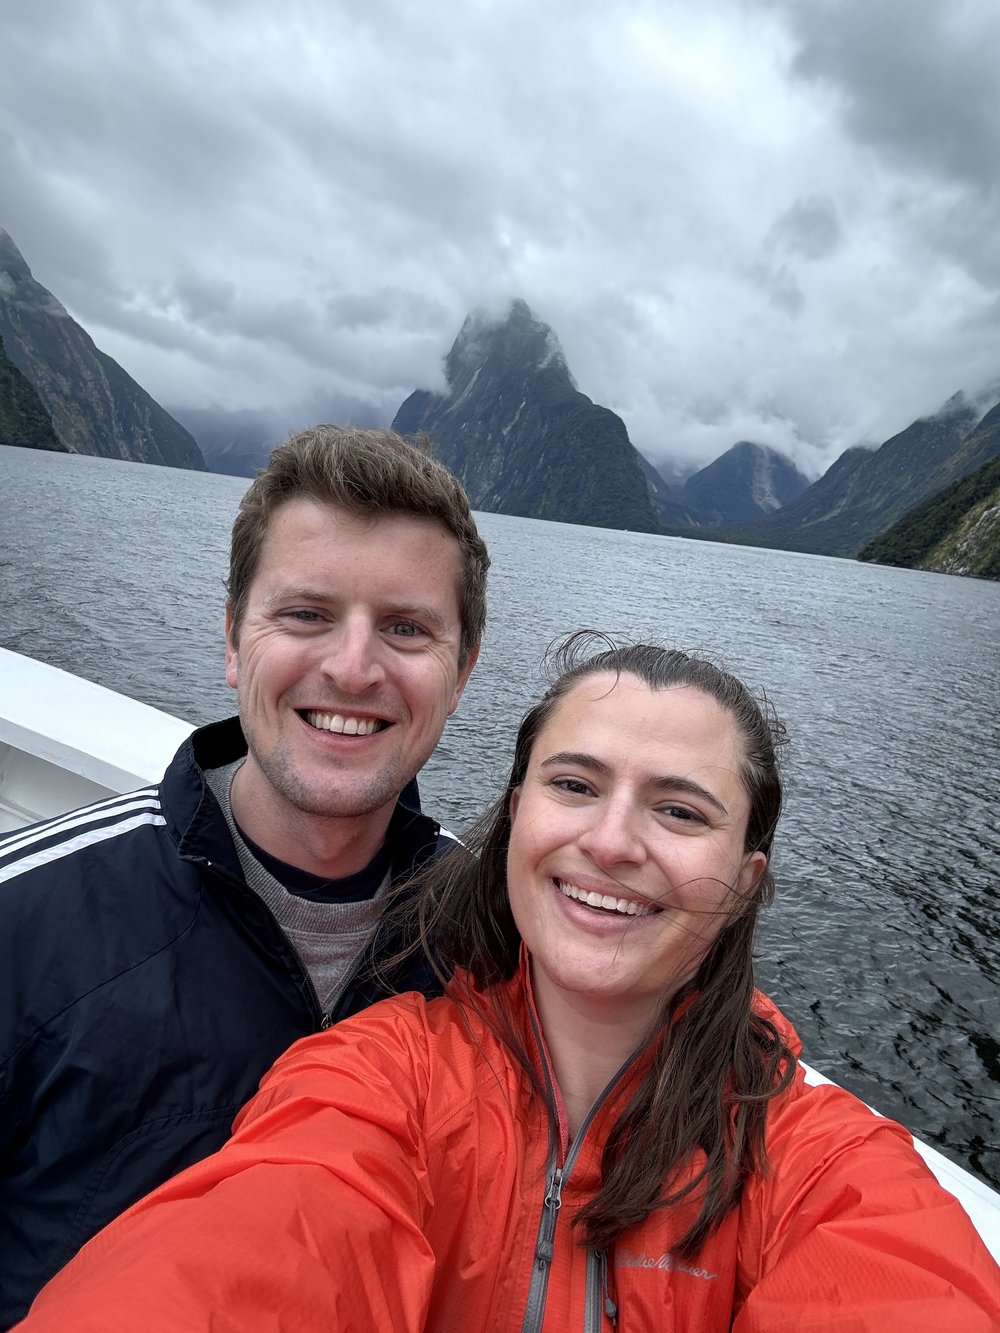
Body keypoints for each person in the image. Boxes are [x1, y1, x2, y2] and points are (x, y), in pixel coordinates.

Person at [14, 637, 1000, 1331]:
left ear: (745, 879)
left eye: (680, 810)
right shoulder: (375, 1079)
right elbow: (229, 1268)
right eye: (573, 785)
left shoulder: (823, 1169)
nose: (611, 842)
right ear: (517, 815)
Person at [0, 425, 489, 1327]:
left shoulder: (496, 944)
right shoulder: (27, 916)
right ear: (232, 639)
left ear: (460, 673)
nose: (351, 666)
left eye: (406, 628)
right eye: (305, 614)